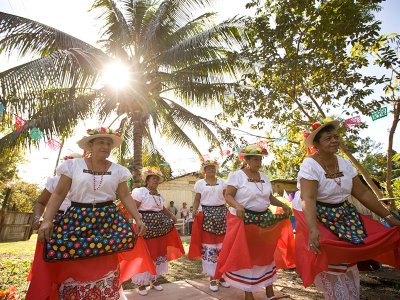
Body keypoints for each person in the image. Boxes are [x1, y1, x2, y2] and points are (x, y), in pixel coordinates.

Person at [26, 127, 155, 300]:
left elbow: (124, 195)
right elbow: (58, 194)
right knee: (74, 256)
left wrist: (138, 219)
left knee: (106, 257)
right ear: (90, 145)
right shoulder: (72, 166)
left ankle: (106, 293)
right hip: (77, 218)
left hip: (108, 220)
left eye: (109, 143)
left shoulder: (119, 170)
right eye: (101, 142)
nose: (106, 146)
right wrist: (47, 220)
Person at [294, 118, 400, 300]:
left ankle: (349, 294)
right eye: (328, 138)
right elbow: (308, 198)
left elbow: (364, 194)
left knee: (361, 242)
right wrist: (313, 229)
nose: (335, 140)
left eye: (336, 137)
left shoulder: (344, 163)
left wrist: (388, 215)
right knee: (327, 248)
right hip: (312, 211)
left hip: (342, 211)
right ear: (317, 144)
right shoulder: (310, 165)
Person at [215, 144, 295, 300]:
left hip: (264, 220)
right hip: (244, 221)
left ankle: (269, 290)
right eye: (255, 159)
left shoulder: (264, 177)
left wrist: (283, 205)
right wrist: (238, 205)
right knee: (248, 256)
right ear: (246, 160)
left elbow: (269, 198)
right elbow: (228, 196)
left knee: (266, 253)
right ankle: (248, 293)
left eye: (260, 159)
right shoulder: (237, 175)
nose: (259, 163)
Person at [130, 167, 185, 296]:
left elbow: (162, 209)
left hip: (159, 227)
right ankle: (141, 283)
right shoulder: (140, 192)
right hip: (145, 226)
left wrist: (170, 214)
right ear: (147, 180)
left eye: (157, 179)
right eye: (153, 178)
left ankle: (154, 280)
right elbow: (134, 208)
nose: (155, 181)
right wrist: (138, 221)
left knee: (158, 251)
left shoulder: (159, 194)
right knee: (146, 252)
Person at [188, 160, 230, 292]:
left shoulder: (223, 182)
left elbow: (227, 197)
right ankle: (212, 277)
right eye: (208, 168)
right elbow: (197, 200)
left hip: (222, 214)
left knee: (222, 246)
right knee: (209, 246)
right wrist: (194, 210)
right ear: (204, 171)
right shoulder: (200, 183)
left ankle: (221, 275)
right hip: (206, 214)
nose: (211, 170)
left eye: (213, 168)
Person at [31, 153, 83, 230]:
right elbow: (41, 203)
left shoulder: (87, 183)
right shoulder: (54, 181)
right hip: (52, 220)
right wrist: (38, 218)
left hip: (77, 222)